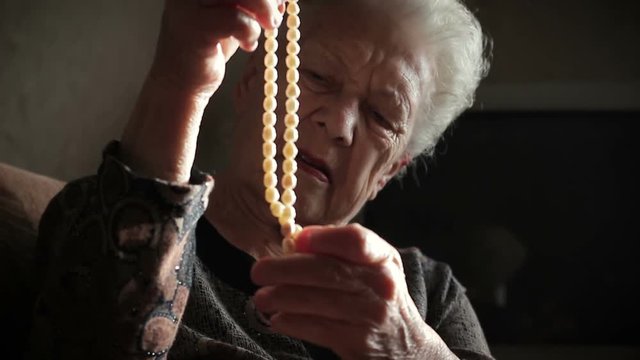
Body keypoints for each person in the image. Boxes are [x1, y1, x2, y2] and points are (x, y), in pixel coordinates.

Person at [26, 0, 492, 358]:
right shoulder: (98, 215)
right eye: (318, 76)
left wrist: (410, 350)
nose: (338, 123)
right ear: (253, 84)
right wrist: (181, 78)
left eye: (381, 115)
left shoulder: (431, 296)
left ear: (391, 170)